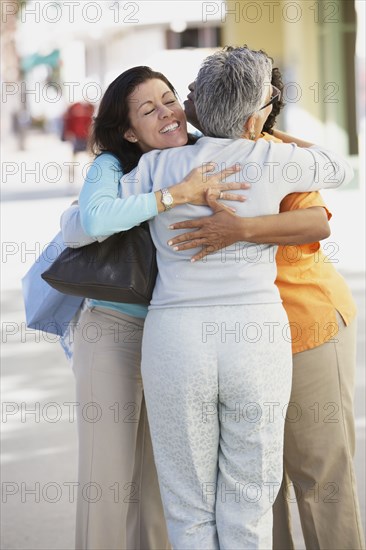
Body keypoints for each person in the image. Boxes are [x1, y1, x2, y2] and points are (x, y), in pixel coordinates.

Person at [76, 47, 353, 549]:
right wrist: (259, 129)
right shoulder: (272, 157)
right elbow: (336, 167)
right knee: (249, 497)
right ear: (255, 115)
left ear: (198, 104)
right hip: (257, 339)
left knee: (188, 503)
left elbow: (92, 219)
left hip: (176, 341)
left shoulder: (158, 168)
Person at [169, 62, 365, 550]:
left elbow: (316, 222)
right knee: (252, 488)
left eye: (197, 89)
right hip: (229, 345)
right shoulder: (178, 158)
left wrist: (240, 230)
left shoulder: (275, 155)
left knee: (320, 475)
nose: (188, 95)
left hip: (304, 327)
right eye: (190, 87)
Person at [60, 66, 249, 550]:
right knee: (107, 479)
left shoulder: (199, 147)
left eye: (169, 99)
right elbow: (92, 220)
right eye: (149, 110)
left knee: (158, 488)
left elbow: (256, 142)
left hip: (173, 338)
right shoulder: (112, 167)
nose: (167, 113)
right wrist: (173, 196)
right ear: (128, 131)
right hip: (114, 330)